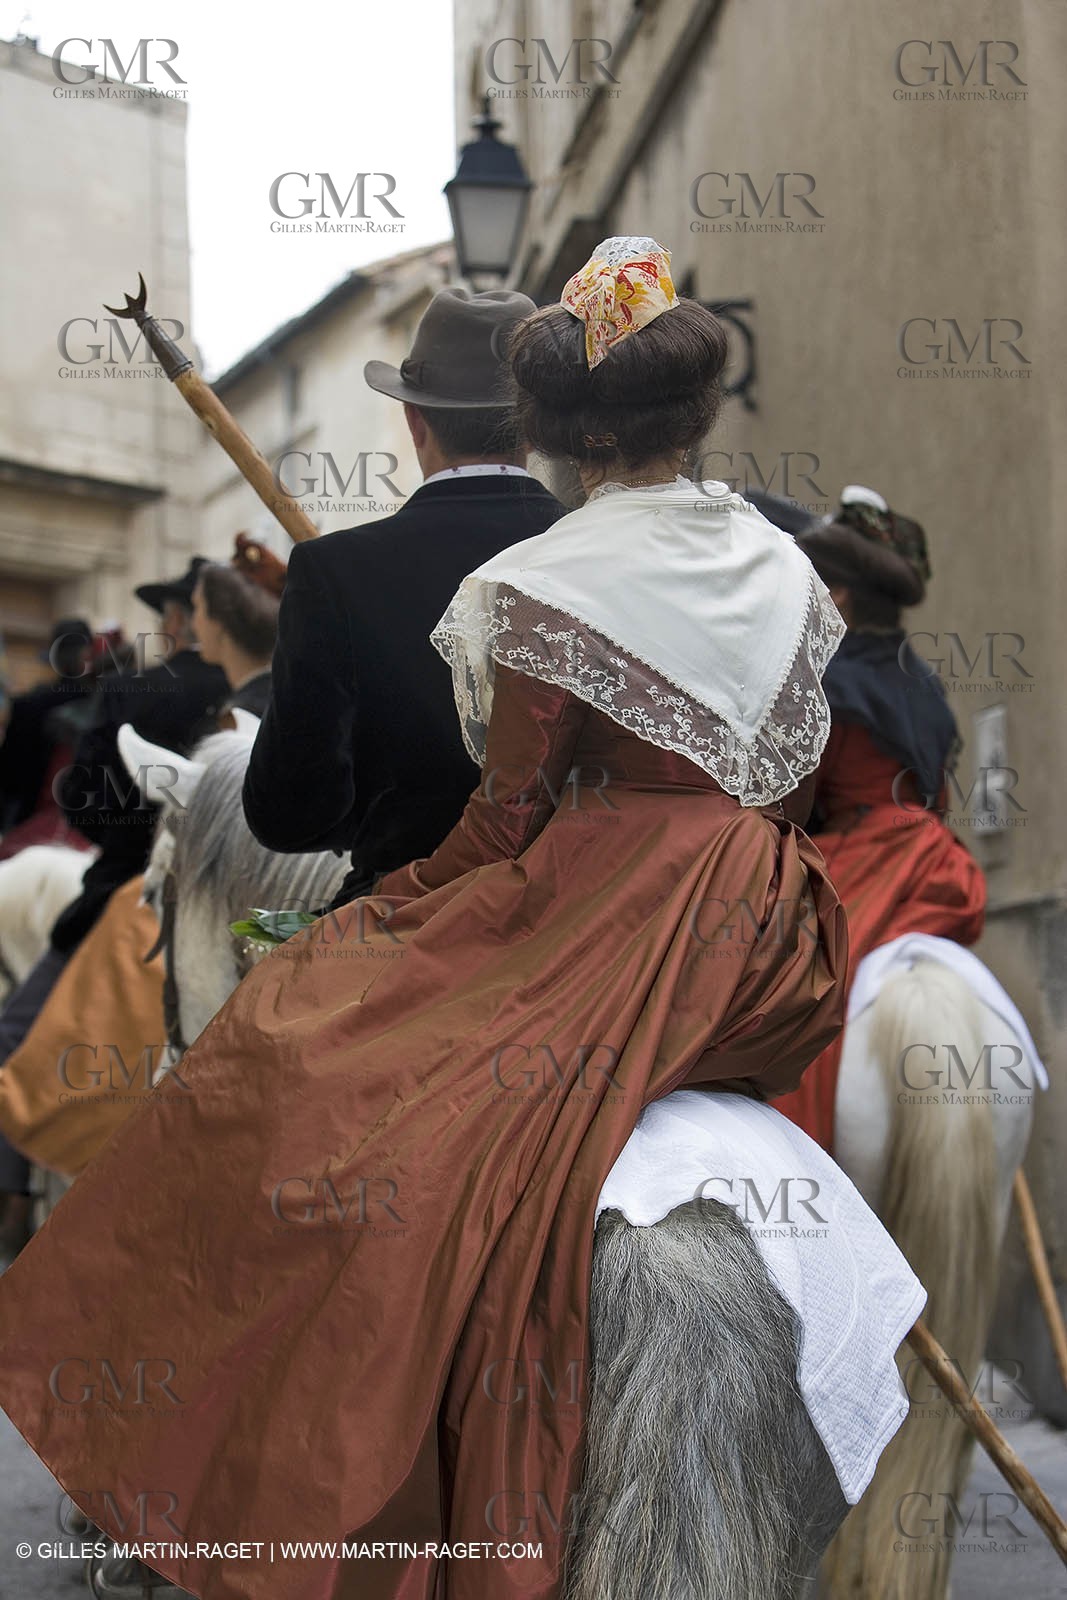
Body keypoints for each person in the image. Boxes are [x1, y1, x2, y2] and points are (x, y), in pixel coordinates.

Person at [0, 237, 848, 1600]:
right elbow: (783, 786)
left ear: (562, 433)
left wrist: (384, 916)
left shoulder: (540, 591)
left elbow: (506, 822)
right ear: (697, 419)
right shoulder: (791, 578)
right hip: (764, 926)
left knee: (290, 1041)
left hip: (597, 908)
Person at [242, 286, 566, 904]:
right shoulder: (601, 550)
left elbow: (286, 813)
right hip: (589, 927)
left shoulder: (331, 570)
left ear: (415, 420)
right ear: (533, 427)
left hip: (404, 920)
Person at [0, 561, 226, 1246]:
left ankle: (11, 1207)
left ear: (186, 619)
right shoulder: (269, 687)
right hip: (245, 908)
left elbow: (90, 806)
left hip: (130, 900)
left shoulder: (136, 688)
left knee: (12, 1045)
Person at [773, 486, 986, 1150]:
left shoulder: (823, 683)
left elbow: (795, 805)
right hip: (931, 849)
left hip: (859, 851)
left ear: (836, 600)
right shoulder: (923, 682)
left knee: (790, 985)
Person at [0, 618, 93, 848]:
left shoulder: (27, 706)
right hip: (83, 831)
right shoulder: (101, 707)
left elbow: (8, 776)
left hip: (25, 824)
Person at [191, 536, 284, 719]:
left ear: (219, 619)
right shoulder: (283, 697)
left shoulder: (240, 717)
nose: (193, 622)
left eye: (197, 607)